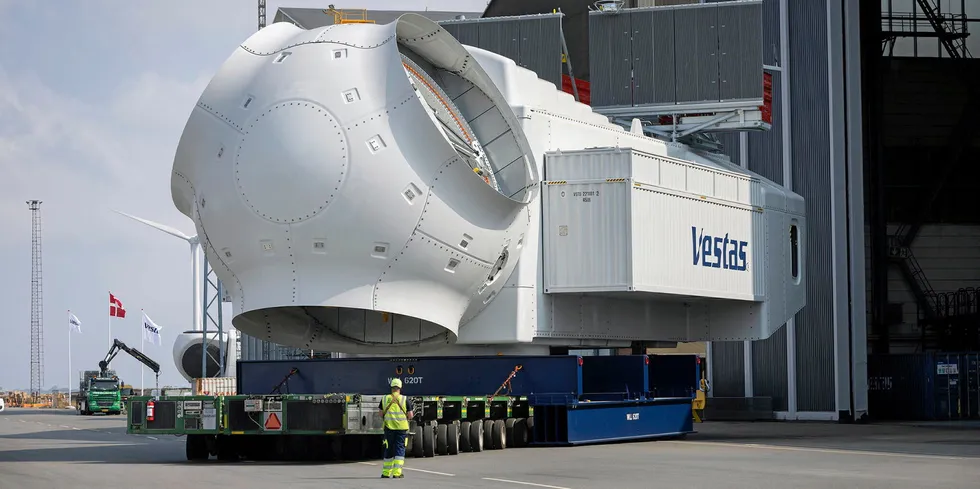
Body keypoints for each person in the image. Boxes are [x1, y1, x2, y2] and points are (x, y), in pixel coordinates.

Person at [379, 378, 414, 479]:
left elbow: (380, 414)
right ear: (400, 388)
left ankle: (386, 473)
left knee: (388, 449)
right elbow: (410, 415)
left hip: (389, 428)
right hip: (401, 429)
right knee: (399, 449)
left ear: (391, 387)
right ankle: (397, 473)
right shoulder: (404, 399)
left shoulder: (384, 398)